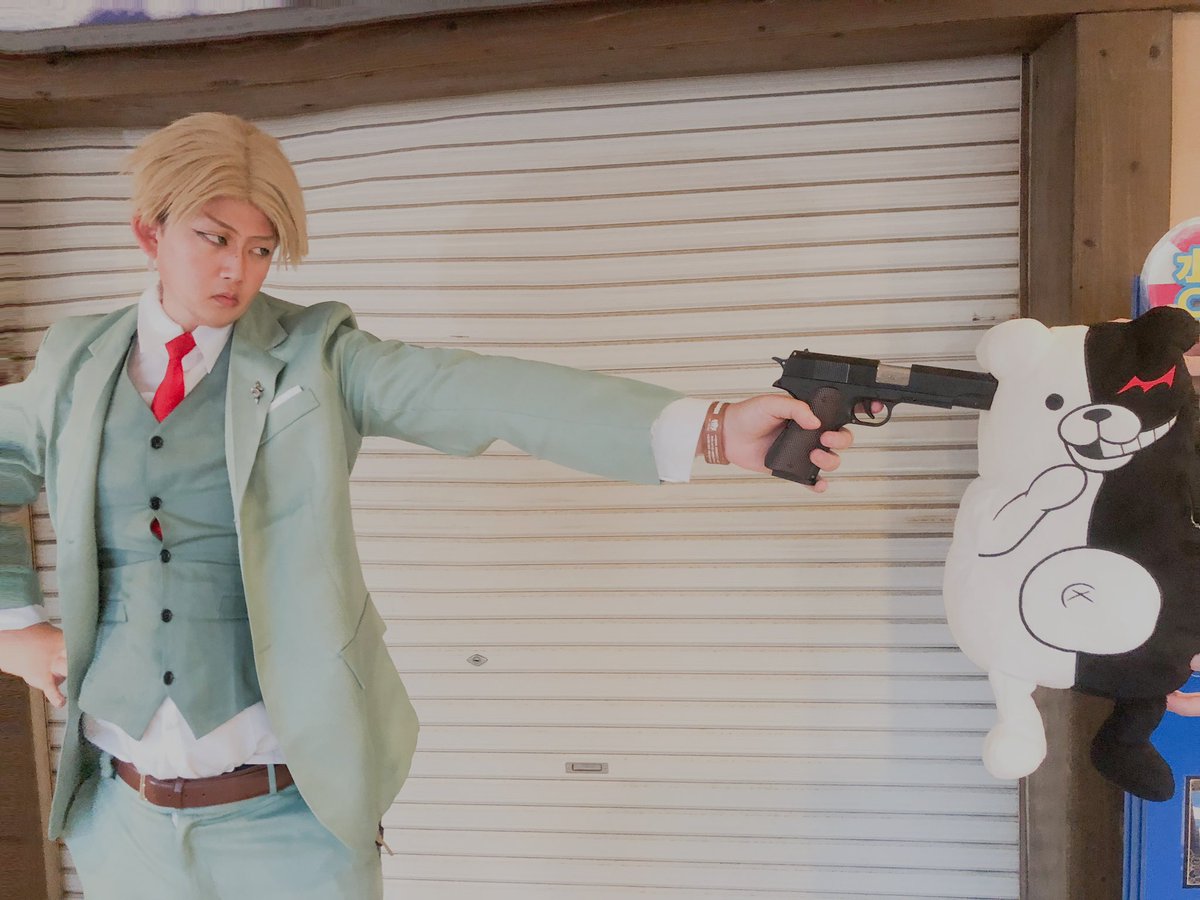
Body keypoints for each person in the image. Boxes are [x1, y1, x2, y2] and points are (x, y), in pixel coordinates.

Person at [0, 112, 858, 900]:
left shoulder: (316, 355)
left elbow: (482, 390)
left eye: (262, 249)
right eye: (214, 238)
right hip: (122, 824)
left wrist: (711, 429)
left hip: (288, 820)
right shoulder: (75, 362)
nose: (238, 270)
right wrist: (17, 628)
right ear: (149, 231)